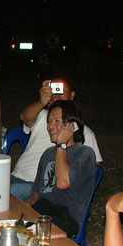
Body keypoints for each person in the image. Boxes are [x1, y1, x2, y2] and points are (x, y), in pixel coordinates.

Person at [10, 78, 103, 201]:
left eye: (60, 90)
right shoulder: (43, 116)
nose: (56, 95)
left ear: (72, 96)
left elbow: (94, 168)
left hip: (39, 187)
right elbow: (24, 117)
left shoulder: (82, 131)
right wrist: (41, 102)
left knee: (1, 194)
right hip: (15, 176)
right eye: (53, 90)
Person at [26, 101, 96, 238]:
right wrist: (27, 204)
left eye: (57, 121)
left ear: (72, 126)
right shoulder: (48, 153)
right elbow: (37, 190)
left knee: (30, 235)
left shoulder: (84, 153)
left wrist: (61, 145)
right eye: (49, 121)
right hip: (42, 210)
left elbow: (63, 183)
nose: (50, 126)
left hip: (66, 216)